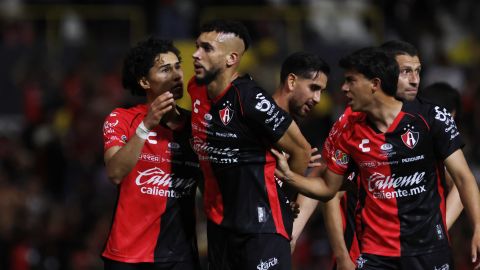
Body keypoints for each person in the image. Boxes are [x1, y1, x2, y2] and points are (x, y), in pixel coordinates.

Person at [272, 47, 480, 269]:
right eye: (405, 71)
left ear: (374, 84)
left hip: (428, 251)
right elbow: (327, 187)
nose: (343, 88)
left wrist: (475, 227)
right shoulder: (345, 128)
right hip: (373, 254)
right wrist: (290, 183)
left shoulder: (430, 117)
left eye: (350, 81)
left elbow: (463, 179)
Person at [188, 20, 311, 270]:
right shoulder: (195, 89)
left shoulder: (251, 99)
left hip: (260, 230)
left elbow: (301, 150)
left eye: (207, 48)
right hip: (219, 225)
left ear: (231, 58)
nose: (196, 54)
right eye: (197, 46)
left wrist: (286, 202)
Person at [101, 38, 202, 270]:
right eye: (165, 69)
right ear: (145, 81)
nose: (177, 75)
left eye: (178, 66)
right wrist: (146, 126)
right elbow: (115, 173)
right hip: (127, 257)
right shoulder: (122, 119)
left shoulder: (196, 126)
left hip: (180, 258)